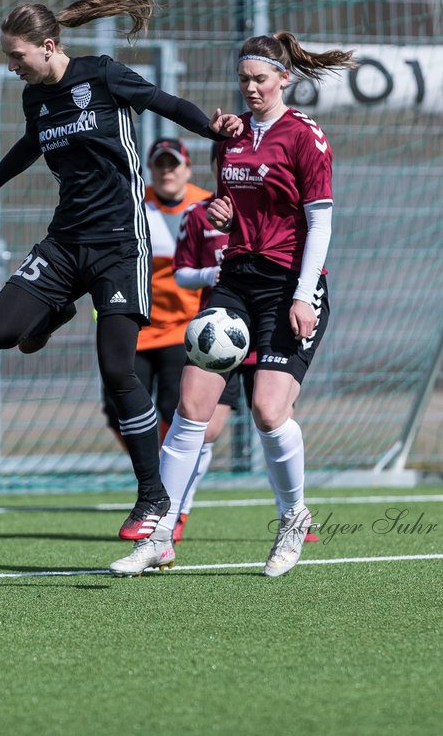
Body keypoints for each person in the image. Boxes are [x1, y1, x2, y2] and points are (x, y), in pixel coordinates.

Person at [0, 0, 242, 544]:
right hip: (65, 243)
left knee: (115, 372)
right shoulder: (37, 98)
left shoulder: (102, 74)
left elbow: (164, 102)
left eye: (16, 55)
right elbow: (27, 148)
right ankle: (56, 311)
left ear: (49, 47)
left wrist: (212, 126)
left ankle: (153, 496)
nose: (11, 64)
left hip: (118, 246)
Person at [110, 31, 354, 577]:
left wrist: (303, 294)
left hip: (289, 284)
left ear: (284, 79)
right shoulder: (233, 137)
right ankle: (161, 534)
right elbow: (235, 206)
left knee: (269, 412)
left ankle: (292, 519)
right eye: (243, 79)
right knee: (190, 409)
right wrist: (223, 214)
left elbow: (320, 221)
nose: (250, 89)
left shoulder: (305, 137)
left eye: (260, 79)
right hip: (235, 280)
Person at [170, 146, 319, 547]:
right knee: (204, 426)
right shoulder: (200, 214)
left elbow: (310, 228)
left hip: (267, 321)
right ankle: (173, 516)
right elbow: (180, 273)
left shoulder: (270, 209)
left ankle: (289, 513)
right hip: (221, 337)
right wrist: (211, 273)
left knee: (273, 415)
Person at [99, 136, 210, 461]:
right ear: (149, 169)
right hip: (138, 327)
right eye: (159, 165)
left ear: (187, 169)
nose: (167, 172)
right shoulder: (133, 206)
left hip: (185, 330)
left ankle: (166, 475)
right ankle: (152, 467)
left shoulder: (206, 207)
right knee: (119, 409)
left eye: (173, 164)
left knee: (175, 409)